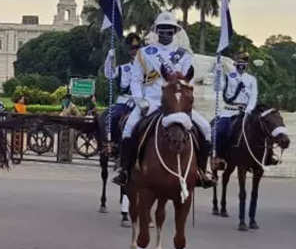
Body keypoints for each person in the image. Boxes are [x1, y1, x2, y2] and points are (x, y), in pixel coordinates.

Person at [113, 11, 214, 188]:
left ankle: (201, 171)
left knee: (205, 128)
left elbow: (185, 81)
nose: (166, 34)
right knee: (128, 129)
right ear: (156, 31)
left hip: (176, 104)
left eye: (169, 31)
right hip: (150, 101)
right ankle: (125, 171)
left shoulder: (184, 55)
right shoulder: (143, 53)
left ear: (175, 32)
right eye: (162, 30)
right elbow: (136, 80)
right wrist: (139, 100)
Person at [214, 50, 272, 165]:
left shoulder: (251, 79)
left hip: (246, 111)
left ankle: (268, 156)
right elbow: (217, 88)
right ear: (235, 63)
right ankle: (220, 157)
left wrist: (249, 110)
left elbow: (254, 96)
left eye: (243, 63)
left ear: (246, 64)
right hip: (229, 111)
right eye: (239, 62)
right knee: (220, 131)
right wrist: (218, 72)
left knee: (264, 128)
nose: (241, 65)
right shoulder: (228, 76)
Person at [104, 32, 141, 167]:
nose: (134, 51)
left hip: (141, 102)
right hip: (125, 101)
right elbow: (109, 74)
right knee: (111, 117)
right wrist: (110, 57)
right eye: (132, 48)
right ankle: (113, 145)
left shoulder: (147, 68)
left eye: (137, 48)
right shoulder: (123, 68)